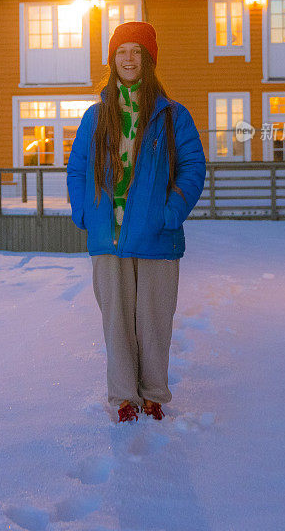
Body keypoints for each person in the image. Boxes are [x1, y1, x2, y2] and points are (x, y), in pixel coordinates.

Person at [67, 21, 206, 423]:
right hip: (107, 235)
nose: (129, 58)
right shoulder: (96, 117)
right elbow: (77, 169)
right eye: (122, 51)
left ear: (149, 60)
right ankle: (124, 397)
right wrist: (83, 213)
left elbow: (193, 168)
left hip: (157, 235)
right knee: (116, 321)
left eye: (137, 52)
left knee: (154, 319)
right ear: (113, 60)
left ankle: (153, 395)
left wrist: (171, 212)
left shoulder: (172, 116)